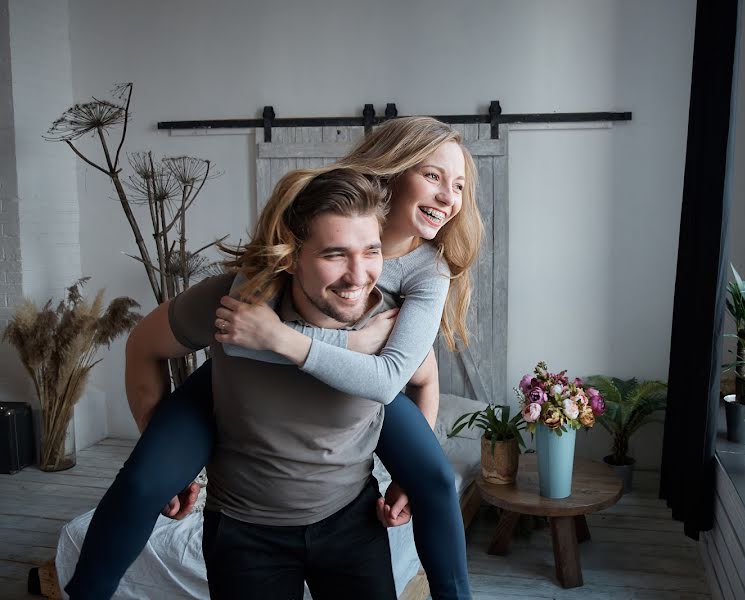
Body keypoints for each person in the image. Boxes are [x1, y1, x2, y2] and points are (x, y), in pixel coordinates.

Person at [65, 117, 483, 599]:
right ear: (392, 168)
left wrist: (361, 355)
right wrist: (356, 342)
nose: (450, 197)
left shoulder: (428, 270)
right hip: (248, 376)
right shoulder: (296, 234)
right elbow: (242, 338)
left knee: (433, 479)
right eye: (433, 176)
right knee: (143, 483)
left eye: (458, 185)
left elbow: (410, 377)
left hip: (362, 381)